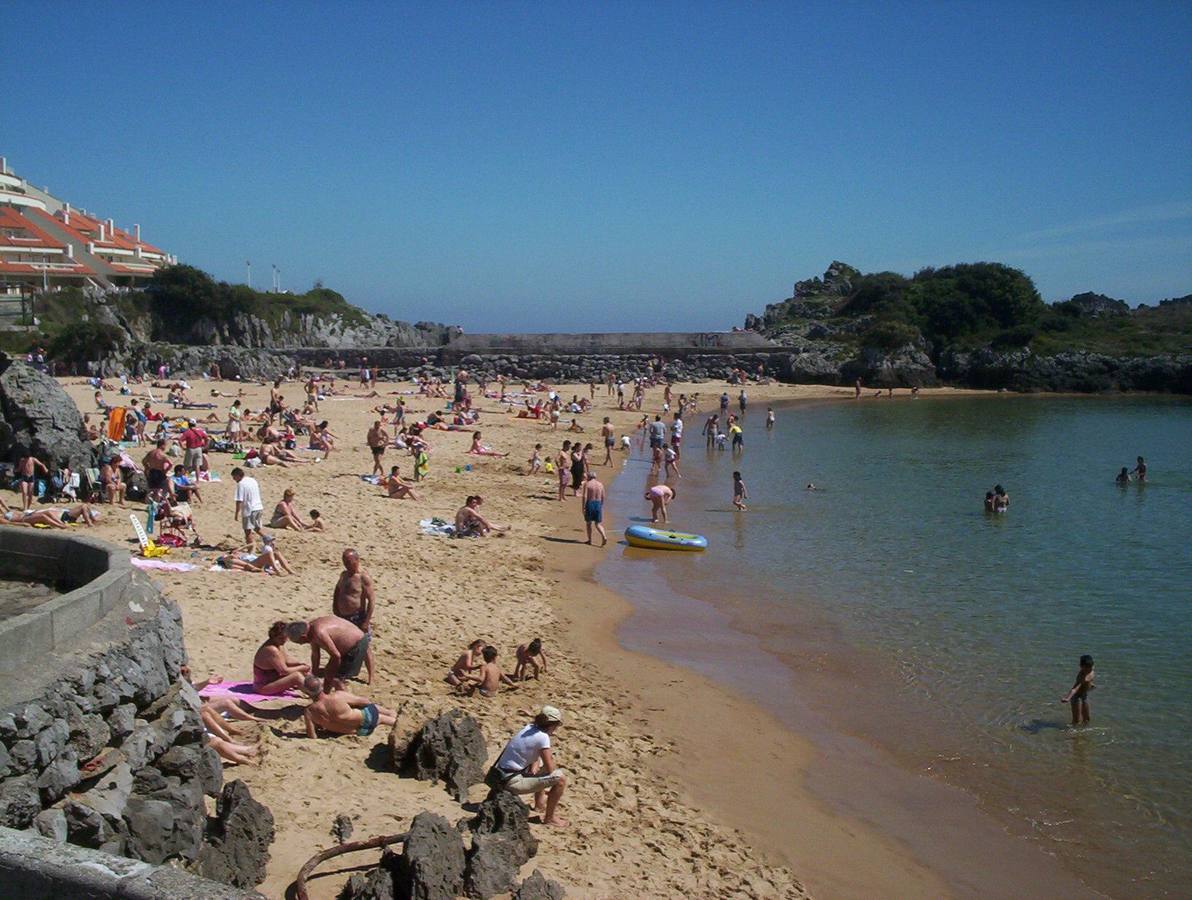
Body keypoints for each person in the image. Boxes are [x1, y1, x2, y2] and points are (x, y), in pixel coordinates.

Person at [488, 706, 568, 828]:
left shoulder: (528, 728)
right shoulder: (543, 737)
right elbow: (551, 768)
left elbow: (529, 751)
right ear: (552, 725)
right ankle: (550, 818)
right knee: (560, 779)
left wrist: (535, 764)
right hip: (511, 782)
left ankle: (539, 805)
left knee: (540, 766)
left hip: (500, 775)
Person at [286, 617, 370, 692]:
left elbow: (336, 656)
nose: (301, 644)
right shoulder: (311, 630)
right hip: (348, 643)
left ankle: (342, 701)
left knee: (337, 679)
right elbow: (315, 654)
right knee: (329, 674)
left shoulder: (319, 633)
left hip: (355, 645)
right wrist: (315, 672)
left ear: (303, 637)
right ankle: (327, 695)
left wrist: (329, 674)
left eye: (300, 642)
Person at [332, 548, 376, 683]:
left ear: (357, 560)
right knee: (343, 644)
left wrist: (366, 621)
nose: (346, 564)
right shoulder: (344, 575)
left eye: (349, 562)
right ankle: (344, 671)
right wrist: (335, 606)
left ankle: (371, 676)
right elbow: (338, 590)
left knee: (365, 646)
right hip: (343, 617)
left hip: (357, 617)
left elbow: (371, 601)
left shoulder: (363, 577)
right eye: (344, 561)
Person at [301, 676, 396, 738]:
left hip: (359, 732)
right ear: (321, 686)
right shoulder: (337, 696)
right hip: (369, 720)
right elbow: (366, 702)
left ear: (307, 692)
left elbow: (312, 736)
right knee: (376, 714)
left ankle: (390, 714)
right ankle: (391, 715)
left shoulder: (309, 712)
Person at [252, 621, 311, 694]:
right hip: (263, 687)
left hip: (274, 680)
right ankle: (317, 696)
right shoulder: (271, 650)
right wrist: (301, 668)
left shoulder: (279, 644)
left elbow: (287, 661)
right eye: (281, 638)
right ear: (273, 636)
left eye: (285, 638)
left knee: (305, 673)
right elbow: (284, 671)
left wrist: (301, 665)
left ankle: (318, 689)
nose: (284, 640)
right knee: (296, 676)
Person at [232, 467, 265, 548]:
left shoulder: (241, 484)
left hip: (249, 510)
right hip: (258, 507)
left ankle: (250, 550)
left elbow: (239, 500)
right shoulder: (252, 480)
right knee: (257, 529)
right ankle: (269, 540)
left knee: (248, 532)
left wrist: (236, 513)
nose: (234, 479)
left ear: (238, 475)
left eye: (234, 477)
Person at [1061, 654, 1095, 726]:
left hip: (1084, 695)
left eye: (1090, 667)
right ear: (1081, 667)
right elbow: (1075, 689)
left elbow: (1090, 680)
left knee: (1087, 719)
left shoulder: (1091, 671)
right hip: (1076, 697)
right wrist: (1068, 698)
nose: (1089, 669)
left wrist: (1091, 685)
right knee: (1076, 720)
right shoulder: (1082, 677)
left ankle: (1083, 732)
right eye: (1086, 668)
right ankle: (1074, 733)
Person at [581, 472, 607, 546]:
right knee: (598, 524)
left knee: (588, 523)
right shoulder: (600, 484)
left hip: (590, 503)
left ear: (589, 477)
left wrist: (583, 507)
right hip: (598, 503)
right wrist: (601, 505)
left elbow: (584, 496)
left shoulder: (587, 484)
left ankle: (590, 540)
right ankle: (604, 536)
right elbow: (603, 496)